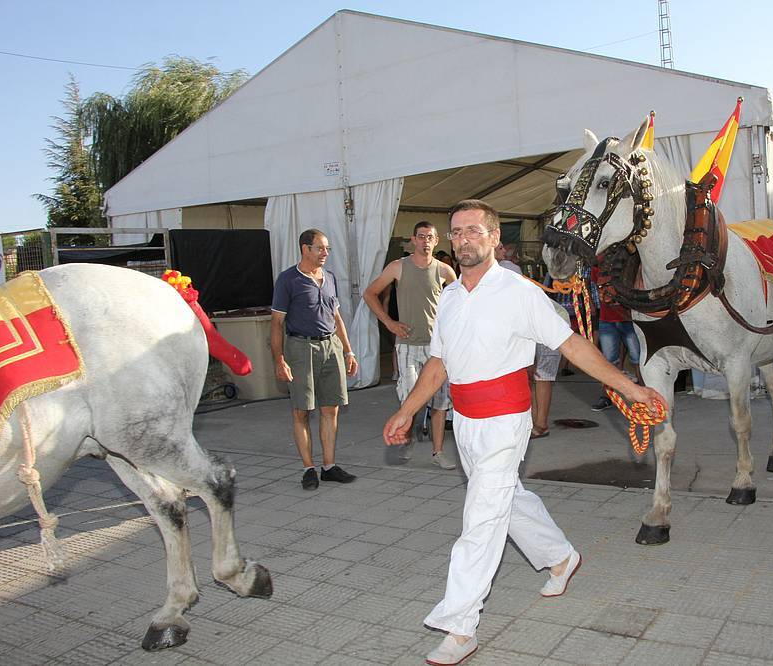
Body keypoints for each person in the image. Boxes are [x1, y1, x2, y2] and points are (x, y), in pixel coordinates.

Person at [382, 200, 665, 665]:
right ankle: (561, 557)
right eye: (457, 232)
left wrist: (629, 387)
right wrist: (406, 411)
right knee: (505, 500)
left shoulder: (519, 292)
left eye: (474, 230)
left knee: (481, 519)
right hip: (466, 422)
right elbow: (438, 364)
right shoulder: (449, 296)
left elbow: (572, 344)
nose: (463, 239)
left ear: (495, 238)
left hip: (505, 421)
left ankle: (459, 626)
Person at [364, 221, 459, 470]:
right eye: (421, 236)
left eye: (430, 237)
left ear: (436, 241)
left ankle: (438, 452)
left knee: (439, 402)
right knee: (409, 399)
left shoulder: (445, 271)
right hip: (407, 345)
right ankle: (406, 440)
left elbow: (460, 304)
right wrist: (389, 323)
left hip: (436, 348)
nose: (425, 241)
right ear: (413, 240)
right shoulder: (398, 267)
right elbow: (370, 293)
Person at [271, 228, 359, 490]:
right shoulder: (288, 280)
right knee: (302, 411)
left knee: (331, 408)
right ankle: (308, 469)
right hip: (301, 348)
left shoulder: (329, 278)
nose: (325, 253)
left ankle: (329, 467)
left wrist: (348, 351)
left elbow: (337, 317)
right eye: (320, 248)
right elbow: (276, 323)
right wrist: (279, 360)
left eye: (327, 248)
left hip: (330, 346)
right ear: (305, 249)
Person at [591, 265, 642, 411]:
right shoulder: (597, 265)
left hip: (628, 318)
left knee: (638, 358)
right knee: (609, 361)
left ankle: (643, 395)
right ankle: (607, 396)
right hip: (607, 319)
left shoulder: (628, 261)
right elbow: (593, 287)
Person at [530, 299, 571, 439]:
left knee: (542, 375)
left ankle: (541, 425)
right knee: (529, 374)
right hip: (531, 328)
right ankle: (532, 421)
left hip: (553, 324)